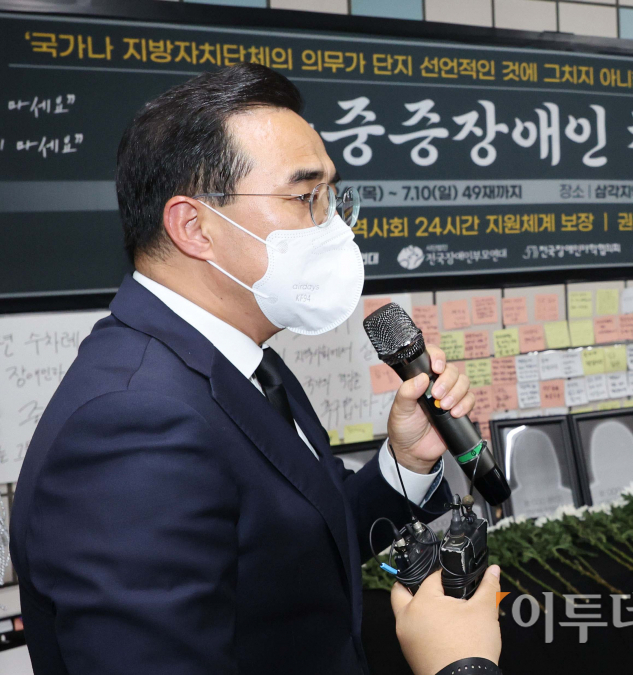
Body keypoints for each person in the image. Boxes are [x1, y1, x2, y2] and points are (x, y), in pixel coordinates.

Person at [10, 63, 501, 675]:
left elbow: (299, 543)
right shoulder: (133, 423)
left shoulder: (242, 361)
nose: (333, 225)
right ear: (194, 227)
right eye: (305, 198)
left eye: (331, 196)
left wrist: (407, 463)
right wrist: (459, 665)